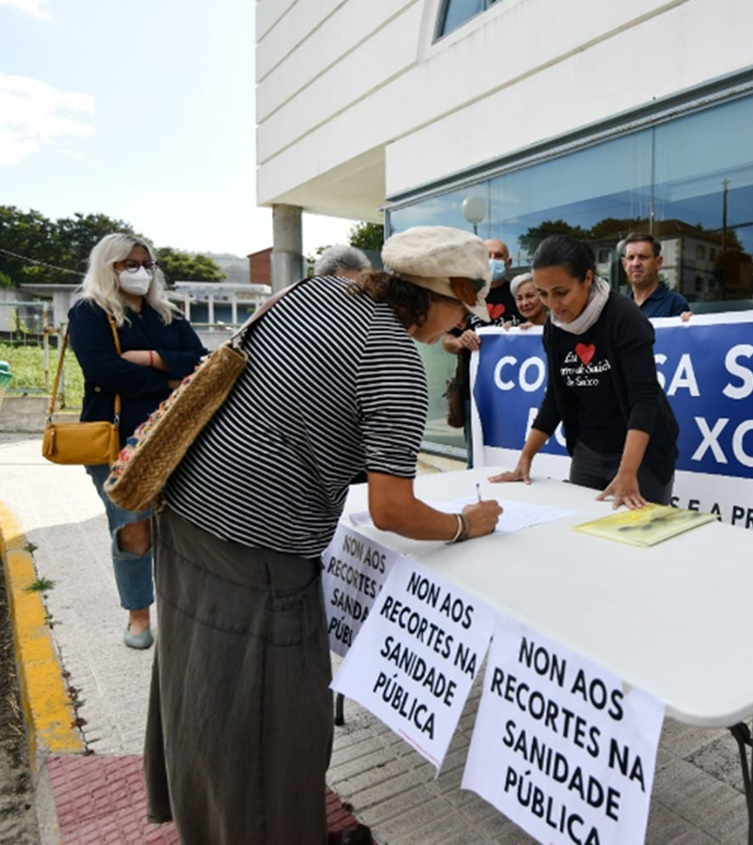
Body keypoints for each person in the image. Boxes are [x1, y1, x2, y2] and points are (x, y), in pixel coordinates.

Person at [144, 226, 503, 843]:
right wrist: (464, 524)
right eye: (461, 309)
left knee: (197, 685)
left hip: (183, 512)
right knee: (277, 721)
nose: (453, 326)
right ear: (449, 292)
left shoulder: (309, 293)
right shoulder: (393, 356)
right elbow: (393, 509)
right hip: (258, 550)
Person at [67, 233, 207, 650]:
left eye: (146, 264)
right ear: (108, 266)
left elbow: (201, 362)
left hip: (176, 434)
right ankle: (138, 614)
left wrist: (147, 359)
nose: (140, 272)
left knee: (182, 528)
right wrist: (168, 378)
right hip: (117, 438)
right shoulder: (91, 312)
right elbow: (104, 370)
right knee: (131, 528)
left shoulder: (167, 314)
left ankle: (182, 610)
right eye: (128, 264)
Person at [491, 234, 679, 508]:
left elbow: (644, 398)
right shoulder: (554, 327)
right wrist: (525, 459)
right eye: (543, 294)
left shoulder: (624, 317)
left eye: (561, 292)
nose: (553, 305)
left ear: (588, 279)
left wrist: (627, 474)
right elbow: (555, 397)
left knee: (637, 540)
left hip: (641, 457)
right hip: (588, 451)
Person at [441, 238, 522, 466]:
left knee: (513, 453)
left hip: (516, 392)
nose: (492, 261)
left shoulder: (519, 296)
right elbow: (446, 340)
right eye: (487, 256)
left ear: (509, 262)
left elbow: (538, 328)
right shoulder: (466, 297)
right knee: (477, 456)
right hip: (475, 391)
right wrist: (460, 342)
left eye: (498, 256)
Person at [621, 232, 690, 317]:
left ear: (658, 262)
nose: (635, 263)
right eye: (631, 258)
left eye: (643, 257)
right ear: (624, 264)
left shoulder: (675, 304)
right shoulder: (621, 307)